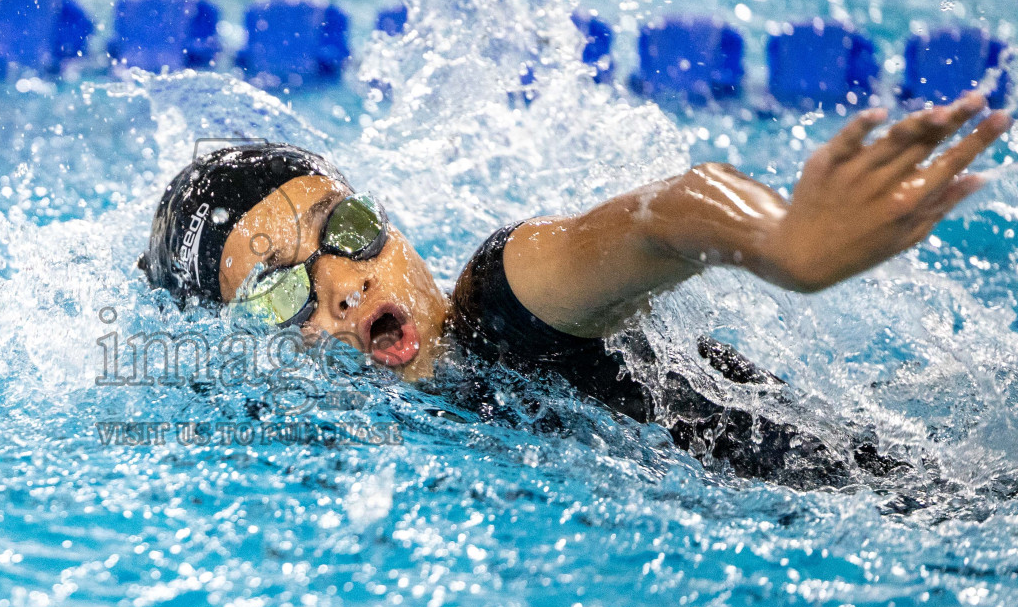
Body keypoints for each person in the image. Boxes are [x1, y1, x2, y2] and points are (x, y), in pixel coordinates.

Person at [139, 92, 1010, 493]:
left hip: (935, 517)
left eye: (347, 226)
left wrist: (789, 245)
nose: (338, 283)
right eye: (274, 293)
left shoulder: (508, 301)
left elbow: (665, 215)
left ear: (389, 220)